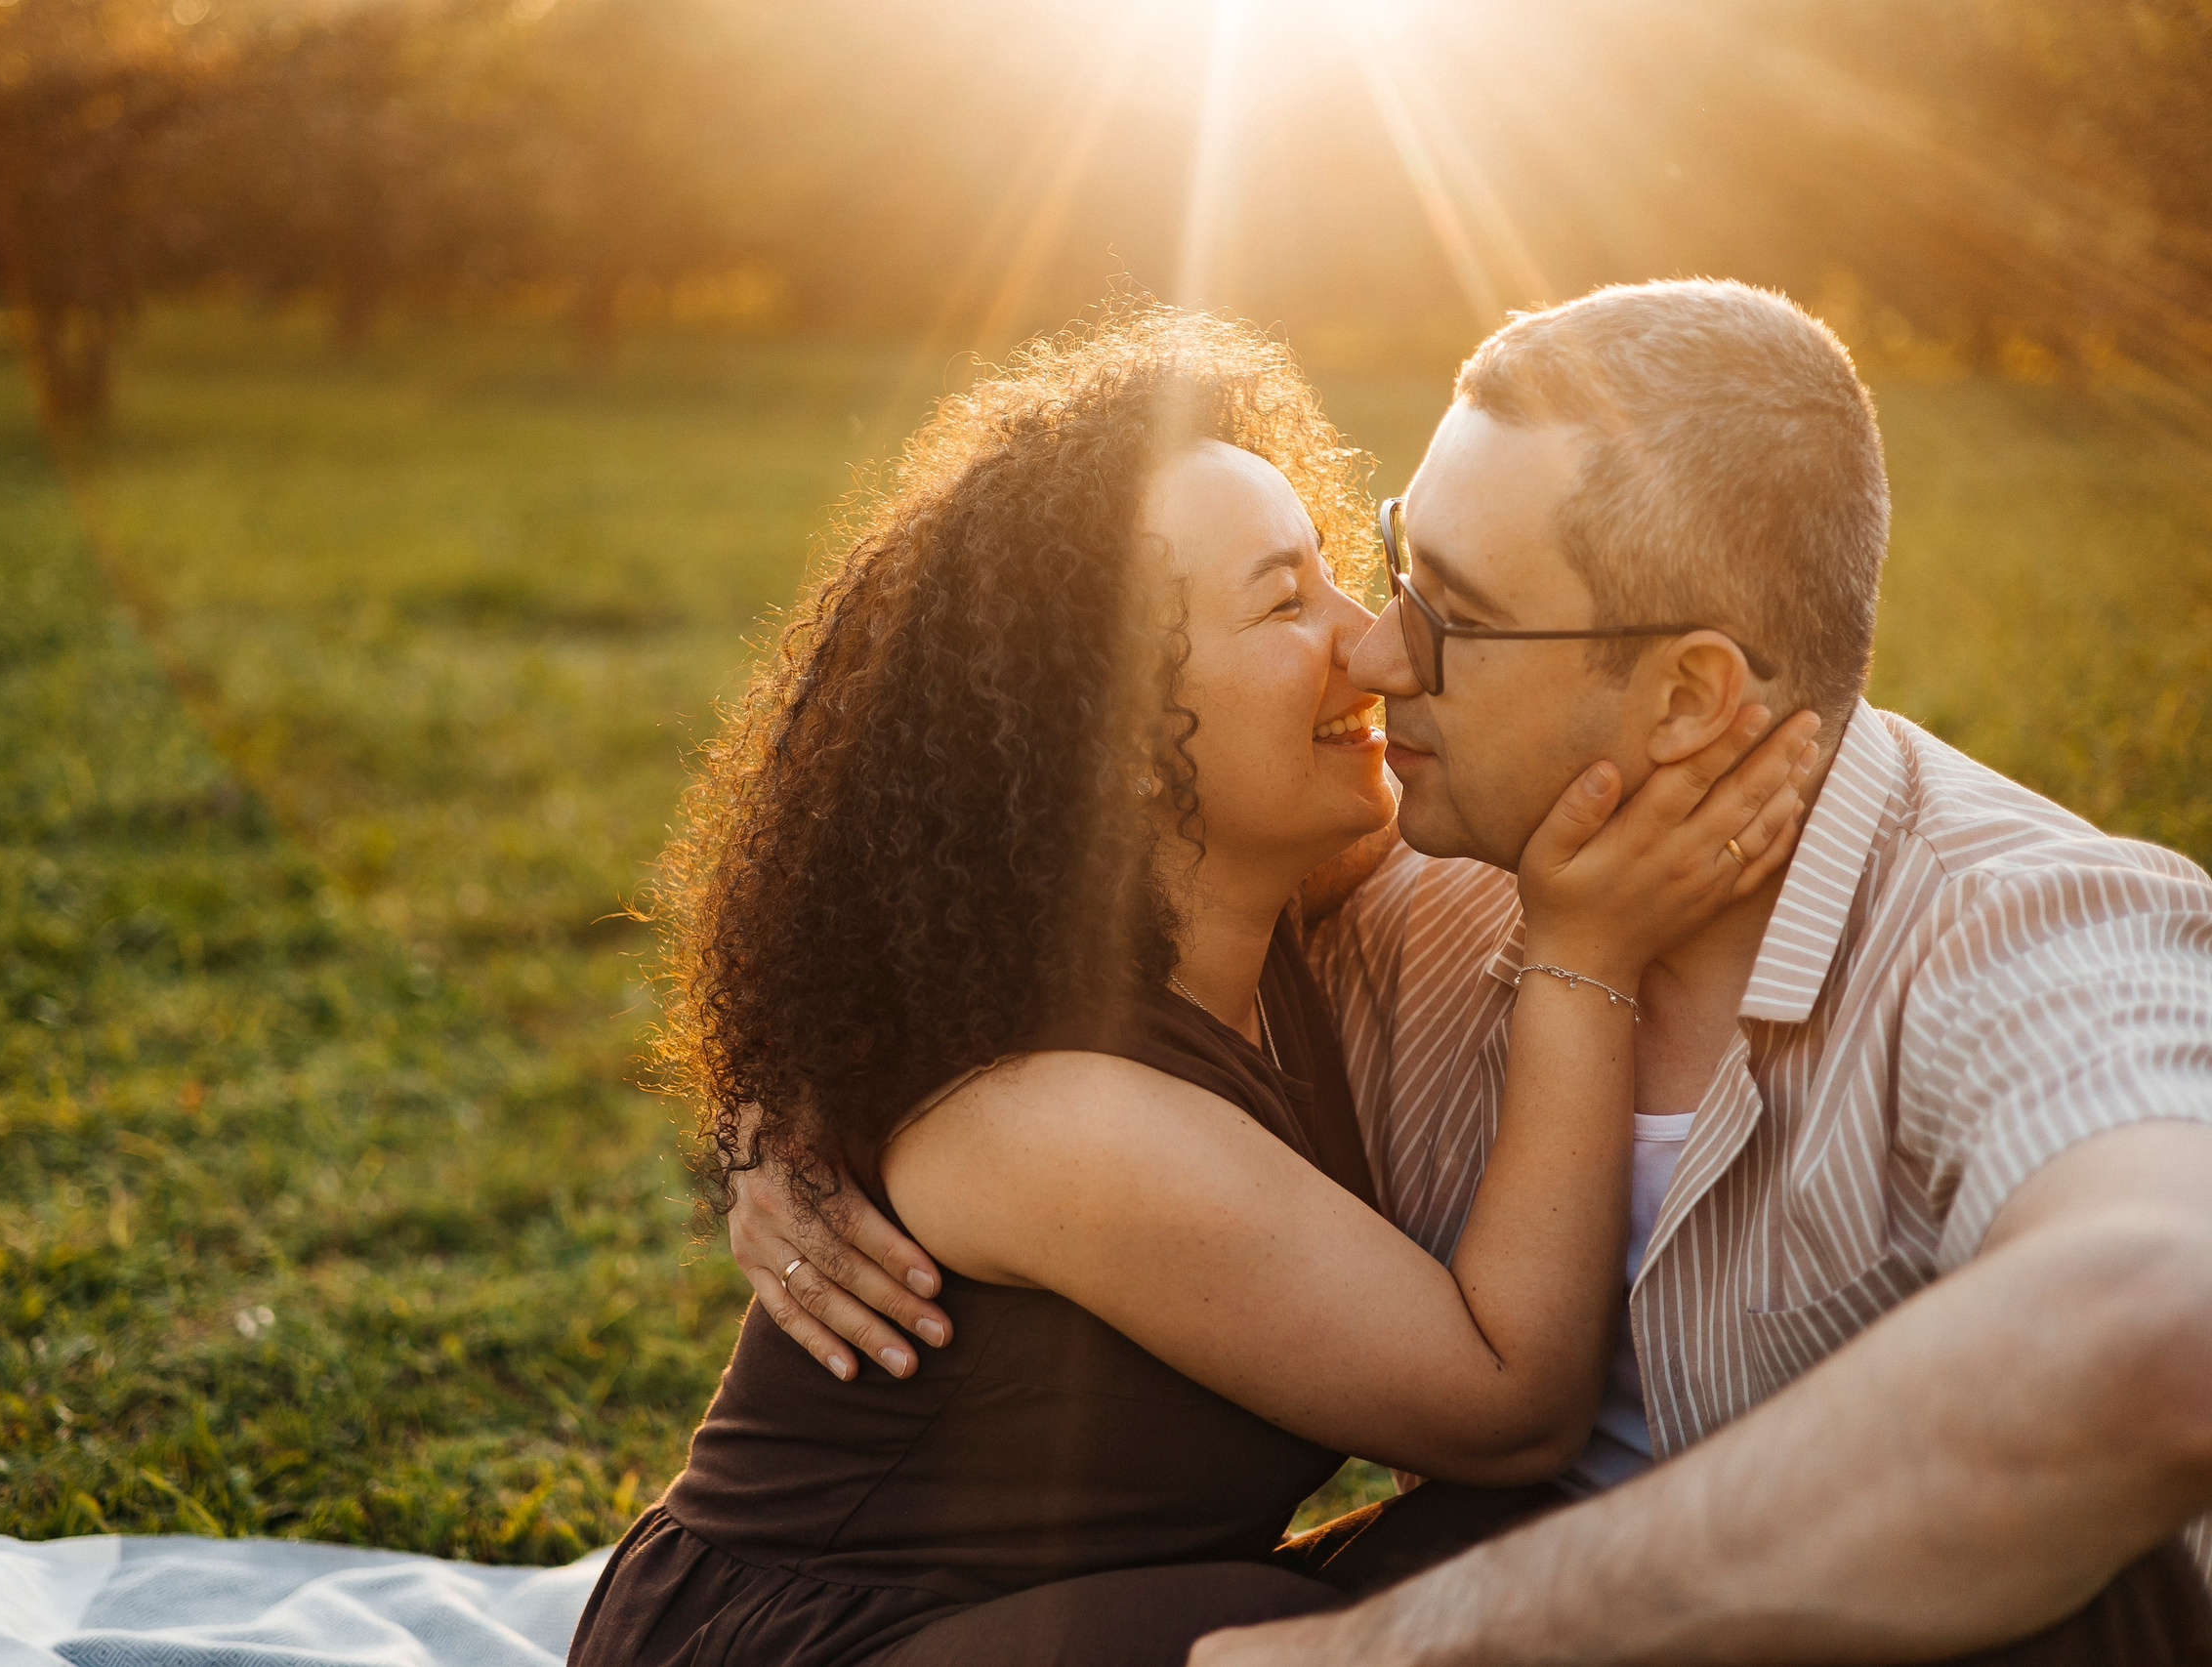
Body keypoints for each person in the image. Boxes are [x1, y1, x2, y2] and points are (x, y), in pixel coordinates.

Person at [743, 281, 2212, 1665]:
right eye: (1390, 565)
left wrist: (1399, 1650)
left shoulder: (2020, 934)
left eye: (1450, 609)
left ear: (1690, 696)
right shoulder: (1378, 890)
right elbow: (971, 877)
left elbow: (2164, 1325)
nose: (1379, 650)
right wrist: (805, 1114)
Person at [568, 307, 1814, 1667]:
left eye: (1338, 570)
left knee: (1530, 1567)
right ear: (1115, 742)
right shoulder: (1057, 1121)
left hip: (1034, 1617)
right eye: (1286, 603)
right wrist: (1584, 959)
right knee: (1351, 1629)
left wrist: (776, 1110)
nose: (1371, 638)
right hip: (812, 1646)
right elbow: (1505, 1405)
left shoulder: (1260, 909)